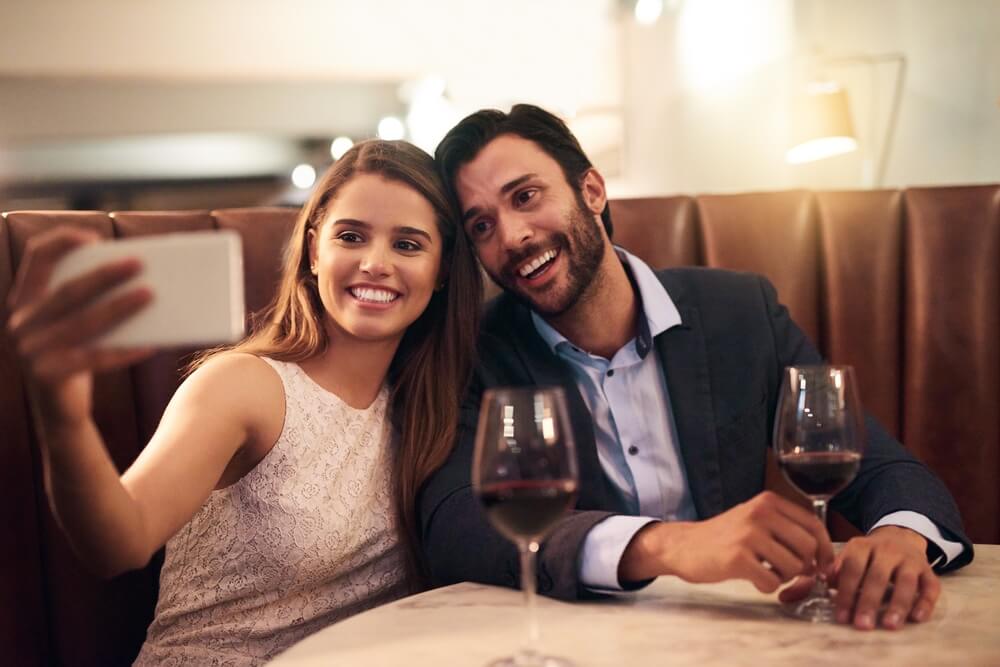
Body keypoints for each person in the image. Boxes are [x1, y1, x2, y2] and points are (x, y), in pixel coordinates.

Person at [419, 104, 973, 632]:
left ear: (591, 190)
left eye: (527, 196)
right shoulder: (476, 353)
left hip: (737, 634)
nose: (512, 236)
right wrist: (668, 545)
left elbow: (879, 467)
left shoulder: (740, 312)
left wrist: (902, 536)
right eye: (482, 227)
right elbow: (453, 522)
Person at [6, 140, 482, 664]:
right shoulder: (243, 385)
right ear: (313, 250)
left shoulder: (433, 407)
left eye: (408, 245)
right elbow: (119, 541)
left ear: (440, 272)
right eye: (350, 236)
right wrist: (63, 412)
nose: (375, 263)